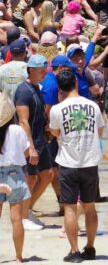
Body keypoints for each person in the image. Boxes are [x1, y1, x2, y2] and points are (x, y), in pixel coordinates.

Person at [48, 69, 103, 263]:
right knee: (90, 207)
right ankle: (90, 247)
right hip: (90, 162)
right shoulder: (93, 106)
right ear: (76, 84)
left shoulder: (56, 109)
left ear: (60, 89)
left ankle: (74, 250)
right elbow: (100, 131)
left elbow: (54, 132)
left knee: (70, 208)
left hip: (68, 163)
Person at [15, 54, 52, 232]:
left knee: (47, 175)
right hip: (28, 142)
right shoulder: (23, 90)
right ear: (31, 70)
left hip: (40, 139)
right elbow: (23, 121)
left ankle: (28, 210)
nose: (44, 73)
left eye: (45, 70)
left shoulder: (37, 87)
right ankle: (22, 218)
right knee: (30, 178)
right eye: (41, 71)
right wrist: (30, 147)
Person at [0, 92, 30, 262]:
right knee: (16, 218)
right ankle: (18, 257)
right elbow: (25, 153)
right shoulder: (17, 130)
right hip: (14, 173)